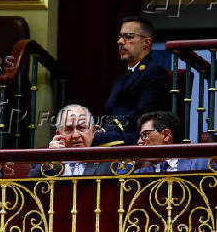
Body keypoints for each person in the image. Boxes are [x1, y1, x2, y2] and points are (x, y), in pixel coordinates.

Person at [93, 16, 171, 147]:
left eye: (128, 37)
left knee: (88, 140)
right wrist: (95, 128)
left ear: (146, 42)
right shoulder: (121, 78)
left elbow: (141, 116)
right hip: (114, 133)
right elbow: (108, 113)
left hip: (136, 138)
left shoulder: (155, 73)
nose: (120, 42)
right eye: (120, 37)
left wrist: (105, 131)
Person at [29, 104, 111, 177]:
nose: (75, 135)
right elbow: (31, 187)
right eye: (69, 129)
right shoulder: (43, 161)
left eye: (81, 128)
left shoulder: (108, 164)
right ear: (58, 134)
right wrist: (52, 158)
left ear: (93, 132)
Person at [135, 111, 211, 173]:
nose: (139, 142)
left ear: (166, 135)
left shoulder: (202, 166)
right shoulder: (139, 174)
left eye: (145, 135)